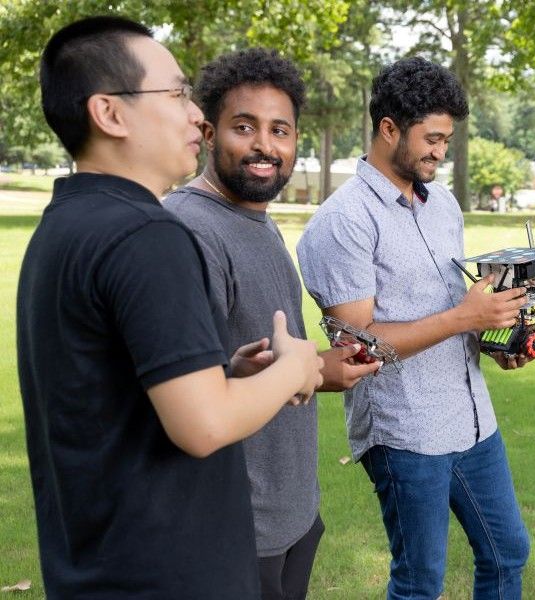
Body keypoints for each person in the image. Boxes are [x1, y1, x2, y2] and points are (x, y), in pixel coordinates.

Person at [17, 17, 323, 599]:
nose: (195, 115)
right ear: (110, 113)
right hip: (169, 575)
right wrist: (296, 368)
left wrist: (226, 375)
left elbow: (112, 401)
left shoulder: (68, 223)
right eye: (178, 93)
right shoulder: (147, 236)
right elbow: (203, 426)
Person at [297, 57, 532, 600]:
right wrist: (464, 318)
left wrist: (493, 337)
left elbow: (458, 307)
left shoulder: (443, 204)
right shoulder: (343, 222)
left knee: (507, 552)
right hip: (404, 430)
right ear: (388, 128)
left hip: (471, 419)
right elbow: (358, 346)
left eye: (447, 141)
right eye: (431, 139)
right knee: (420, 580)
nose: (439, 153)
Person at [163, 48, 380, 600]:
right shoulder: (188, 231)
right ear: (209, 134)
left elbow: (259, 362)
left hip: (290, 517)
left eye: (279, 130)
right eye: (245, 127)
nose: (265, 145)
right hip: (231, 529)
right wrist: (294, 372)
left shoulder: (258, 223)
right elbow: (187, 400)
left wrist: (314, 370)